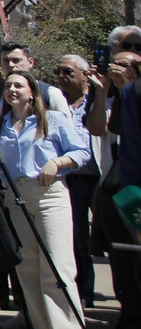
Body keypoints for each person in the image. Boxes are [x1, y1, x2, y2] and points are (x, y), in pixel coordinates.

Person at [0, 71, 91, 329]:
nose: (12, 89)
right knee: (28, 269)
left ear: (32, 91)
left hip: (49, 194)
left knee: (58, 268)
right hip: (15, 195)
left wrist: (57, 162)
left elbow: (81, 151)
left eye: (18, 85)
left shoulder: (52, 119)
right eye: (8, 85)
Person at [89, 42, 141, 329]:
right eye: (114, 64)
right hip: (112, 185)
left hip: (133, 185)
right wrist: (103, 92)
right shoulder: (108, 95)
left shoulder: (134, 95)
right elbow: (98, 129)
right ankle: (130, 319)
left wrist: (128, 90)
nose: (117, 69)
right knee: (121, 259)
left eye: (126, 65)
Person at [54, 55, 100, 307]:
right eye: (59, 71)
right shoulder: (56, 103)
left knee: (108, 237)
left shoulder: (99, 99)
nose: (62, 76)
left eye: (68, 71)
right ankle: (84, 292)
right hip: (70, 179)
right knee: (77, 237)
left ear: (85, 75)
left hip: (99, 178)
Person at [0, 41, 70, 119]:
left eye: (16, 60)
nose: (10, 65)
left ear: (30, 62)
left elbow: (66, 127)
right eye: (6, 61)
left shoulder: (51, 94)